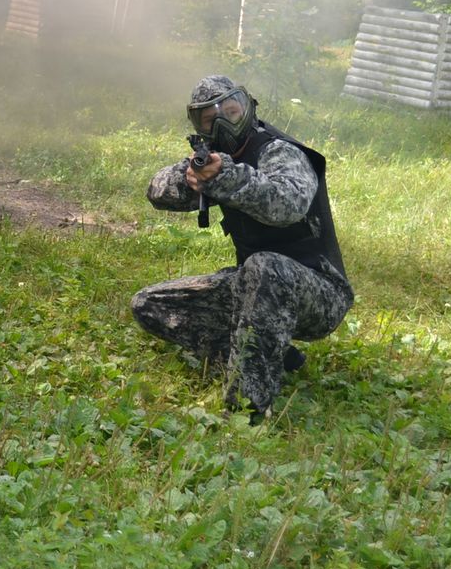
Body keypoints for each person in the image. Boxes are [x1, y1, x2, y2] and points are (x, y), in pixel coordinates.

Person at [133, 75, 353, 421]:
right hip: (256, 286)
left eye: (230, 112)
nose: (222, 122)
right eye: (209, 119)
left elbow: (287, 204)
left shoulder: (280, 150)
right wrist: (191, 179)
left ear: (248, 109)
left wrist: (229, 179)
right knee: (151, 304)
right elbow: (156, 192)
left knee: (265, 266)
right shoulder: (214, 159)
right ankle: (274, 355)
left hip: (321, 292)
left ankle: (247, 408)